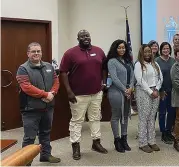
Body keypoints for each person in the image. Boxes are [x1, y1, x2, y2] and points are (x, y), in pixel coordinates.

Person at [59, 30, 108, 160]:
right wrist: (68, 91)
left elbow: (104, 67)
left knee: (95, 118)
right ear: (78, 38)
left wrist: (103, 83)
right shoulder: (70, 53)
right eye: (82, 36)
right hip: (78, 95)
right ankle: (75, 146)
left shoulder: (99, 51)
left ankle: (96, 143)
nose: (85, 38)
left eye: (87, 35)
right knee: (77, 121)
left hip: (96, 93)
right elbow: (63, 72)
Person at [16, 42, 61, 164]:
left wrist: (52, 93)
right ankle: (26, 162)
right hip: (30, 109)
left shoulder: (49, 66)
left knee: (45, 132)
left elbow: (56, 81)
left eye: (38, 51)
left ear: (41, 53)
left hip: (48, 107)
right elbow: (26, 87)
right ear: (28, 53)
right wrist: (45, 94)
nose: (36, 53)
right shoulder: (23, 68)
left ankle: (46, 155)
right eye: (33, 51)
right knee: (29, 137)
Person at [105, 39, 135, 153]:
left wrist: (131, 88)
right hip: (116, 92)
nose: (122, 49)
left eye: (123, 47)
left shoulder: (128, 60)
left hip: (128, 91)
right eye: (119, 47)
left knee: (125, 116)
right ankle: (117, 140)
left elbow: (133, 76)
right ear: (115, 48)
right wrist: (125, 90)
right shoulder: (112, 61)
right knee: (116, 116)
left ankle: (124, 139)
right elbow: (114, 78)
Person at [134, 44, 163, 153]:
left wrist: (157, 89)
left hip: (155, 91)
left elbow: (160, 78)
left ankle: (151, 141)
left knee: (151, 117)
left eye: (149, 51)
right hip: (143, 92)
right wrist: (151, 91)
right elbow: (140, 80)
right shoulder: (138, 64)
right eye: (145, 52)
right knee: (143, 118)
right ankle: (143, 143)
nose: (147, 54)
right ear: (141, 52)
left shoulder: (155, 63)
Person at [155, 42, 176, 144]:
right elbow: (156, 77)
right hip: (162, 91)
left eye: (167, 49)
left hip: (173, 91)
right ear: (161, 50)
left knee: (171, 112)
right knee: (162, 112)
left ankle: (168, 131)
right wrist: (161, 90)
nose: (166, 50)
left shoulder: (173, 60)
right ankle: (163, 132)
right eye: (164, 49)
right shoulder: (157, 61)